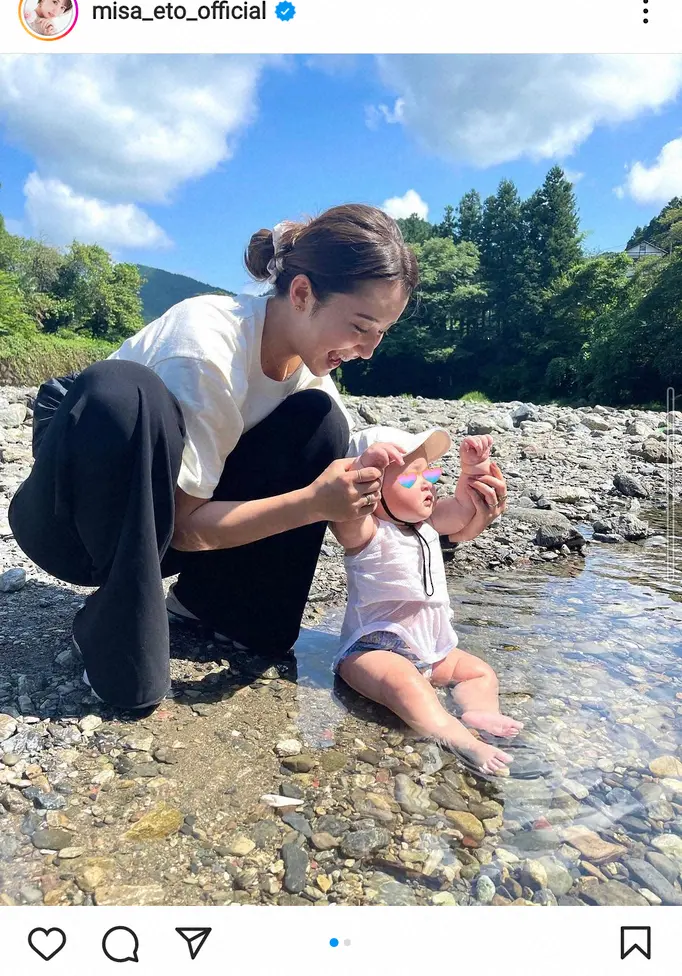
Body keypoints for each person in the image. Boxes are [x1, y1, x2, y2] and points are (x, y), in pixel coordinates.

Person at [8, 204, 418, 710]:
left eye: (381, 333)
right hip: (72, 523)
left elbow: (351, 475)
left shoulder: (306, 367)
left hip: (170, 518)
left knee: (322, 423)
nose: (369, 349)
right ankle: (107, 625)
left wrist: (451, 513)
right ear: (303, 293)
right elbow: (181, 528)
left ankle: (210, 605)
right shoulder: (205, 345)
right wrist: (312, 504)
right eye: (361, 326)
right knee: (128, 392)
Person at [329, 425, 522, 775]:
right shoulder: (368, 531)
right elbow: (346, 512)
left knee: (480, 673)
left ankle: (480, 712)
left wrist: (474, 469)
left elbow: (465, 508)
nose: (427, 483)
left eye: (430, 473)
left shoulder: (429, 524)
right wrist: (362, 471)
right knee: (406, 684)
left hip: (431, 649)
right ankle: (455, 735)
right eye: (410, 478)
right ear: (373, 492)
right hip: (372, 650)